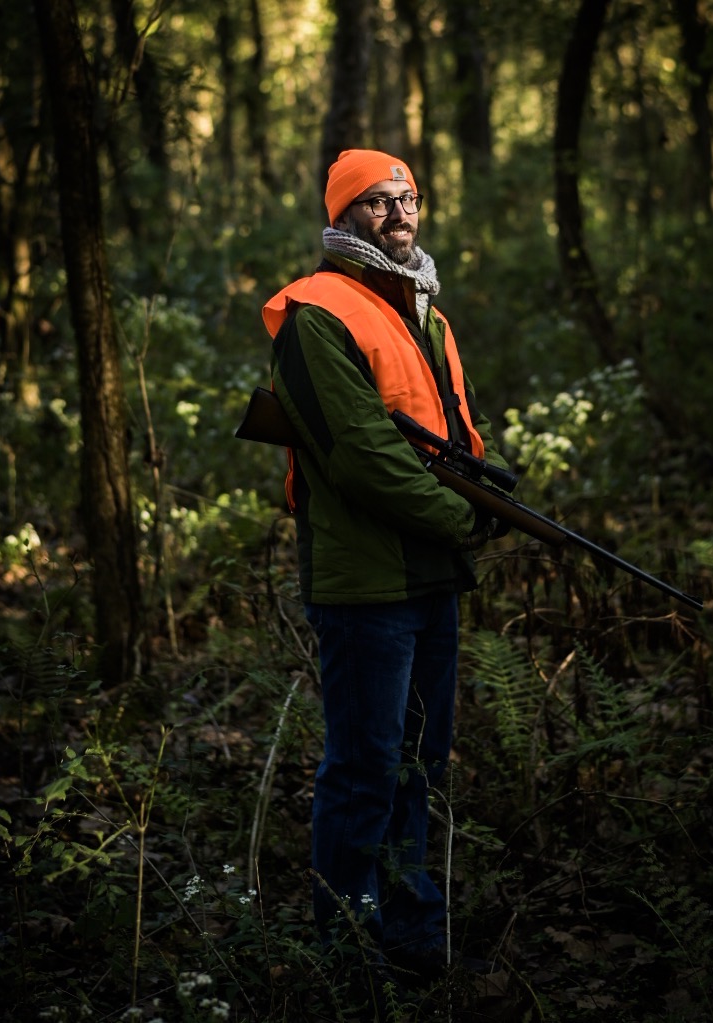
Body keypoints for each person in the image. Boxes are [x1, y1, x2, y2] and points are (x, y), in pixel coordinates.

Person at [263, 148, 509, 982]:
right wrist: (461, 519)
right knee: (364, 768)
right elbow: (363, 457)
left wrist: (477, 499)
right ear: (342, 218)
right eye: (374, 202)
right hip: (365, 582)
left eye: (405, 197)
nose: (397, 213)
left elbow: (439, 440)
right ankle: (341, 953)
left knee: (420, 767)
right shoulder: (315, 313)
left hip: (428, 576)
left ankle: (411, 942)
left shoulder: (425, 311)